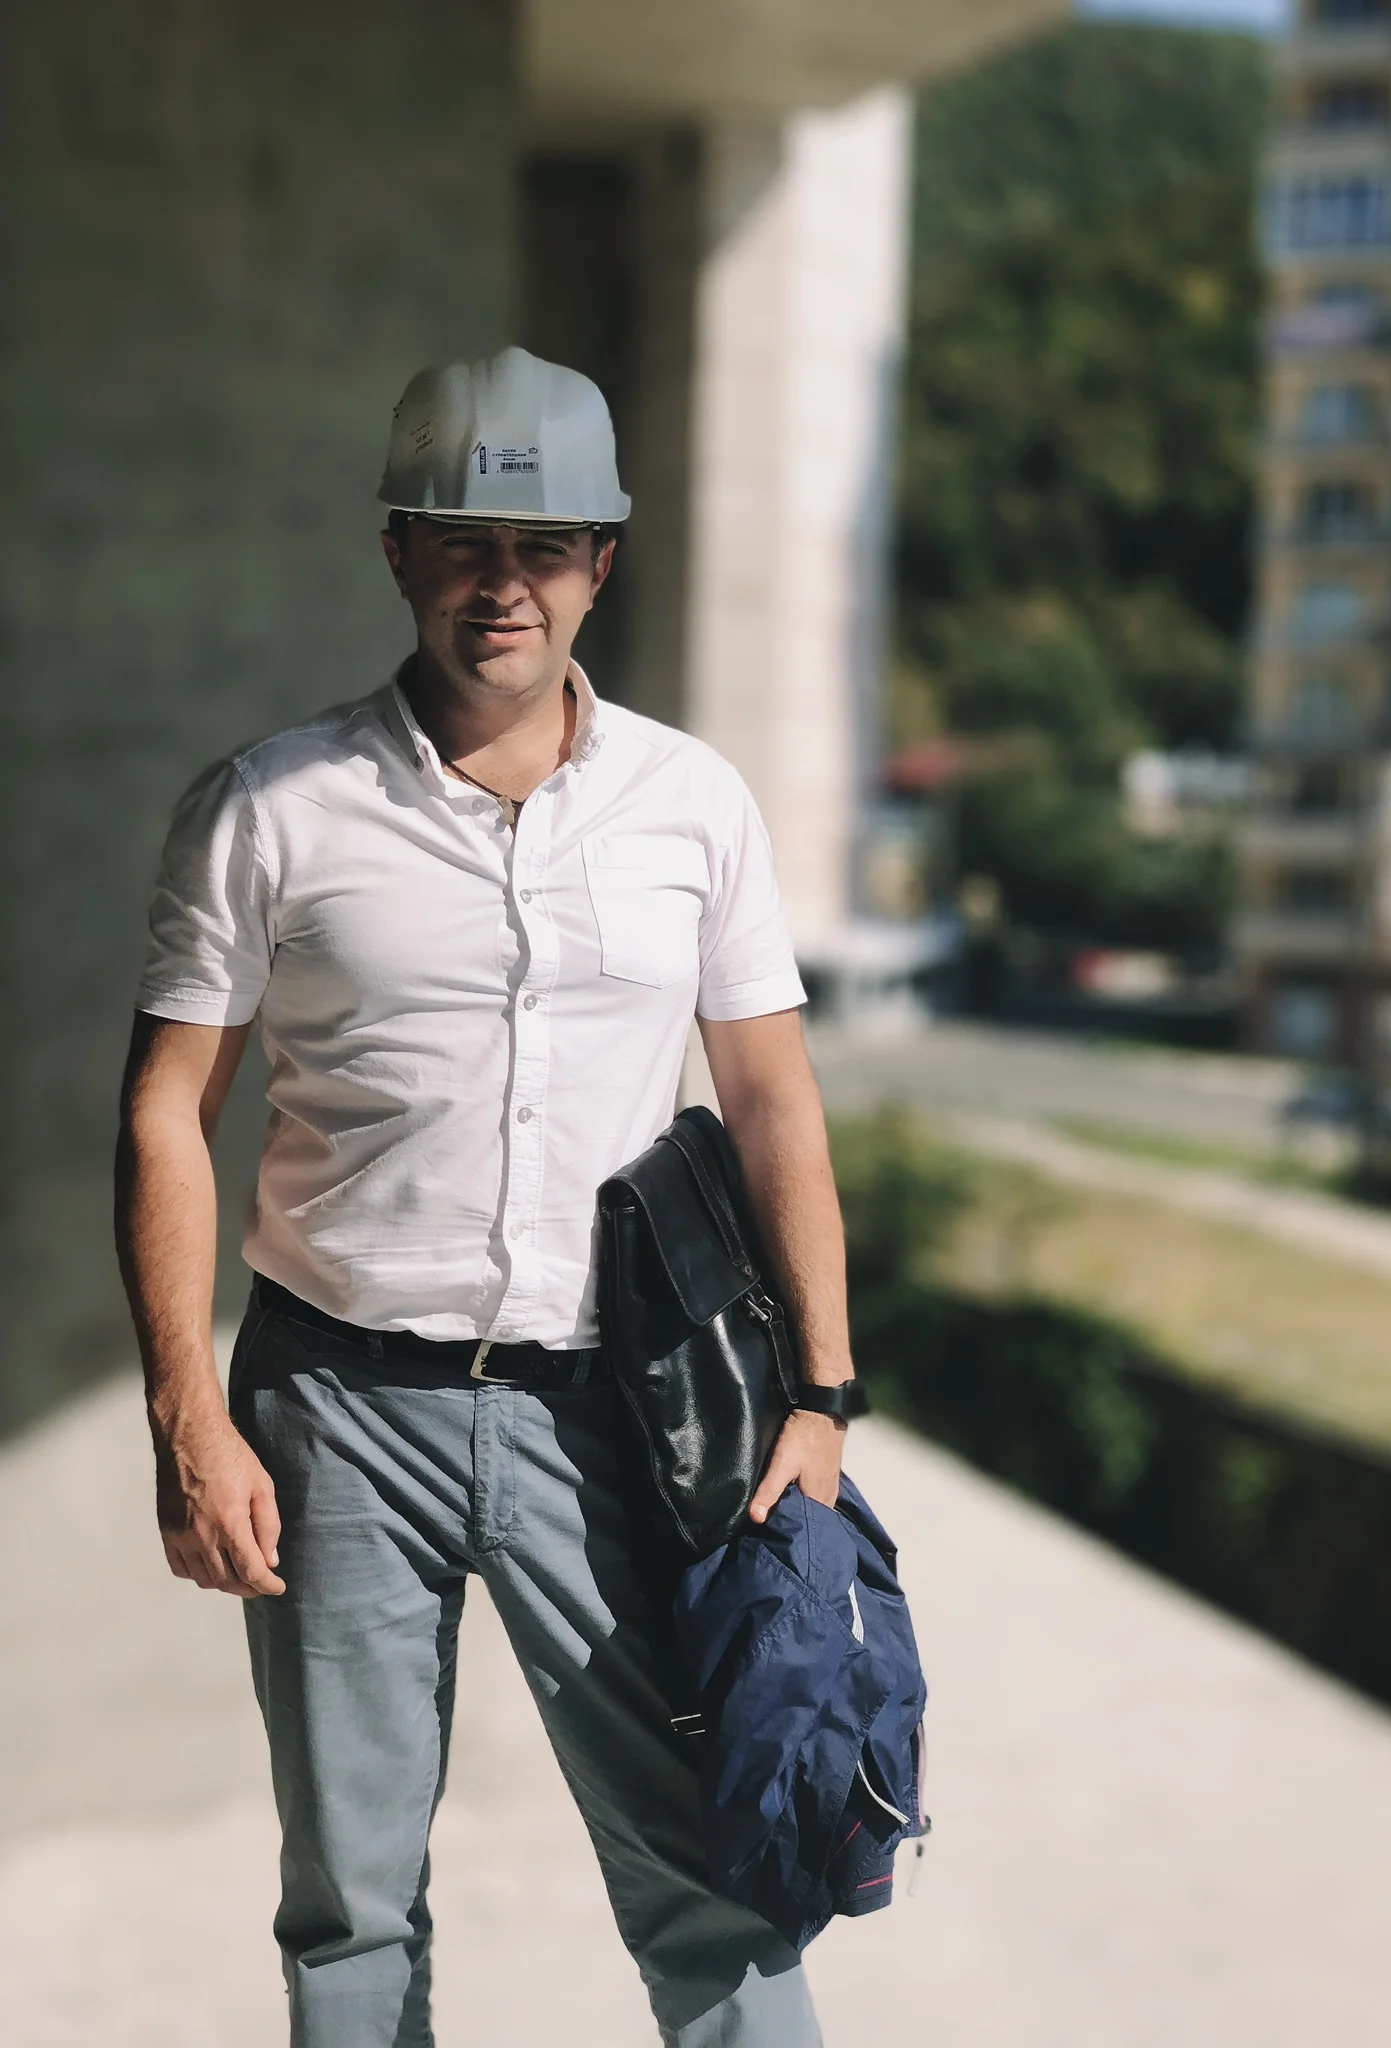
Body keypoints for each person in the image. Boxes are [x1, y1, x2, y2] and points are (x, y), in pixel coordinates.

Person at [114, 345, 859, 2048]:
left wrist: (823, 1395)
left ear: (602, 563)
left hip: (613, 1414)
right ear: (399, 552)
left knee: (717, 1882)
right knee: (351, 1909)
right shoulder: (267, 808)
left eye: (542, 548)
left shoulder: (693, 805)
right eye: (462, 540)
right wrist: (185, 1418)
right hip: (333, 1410)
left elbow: (771, 1099)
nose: (501, 583)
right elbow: (167, 1110)